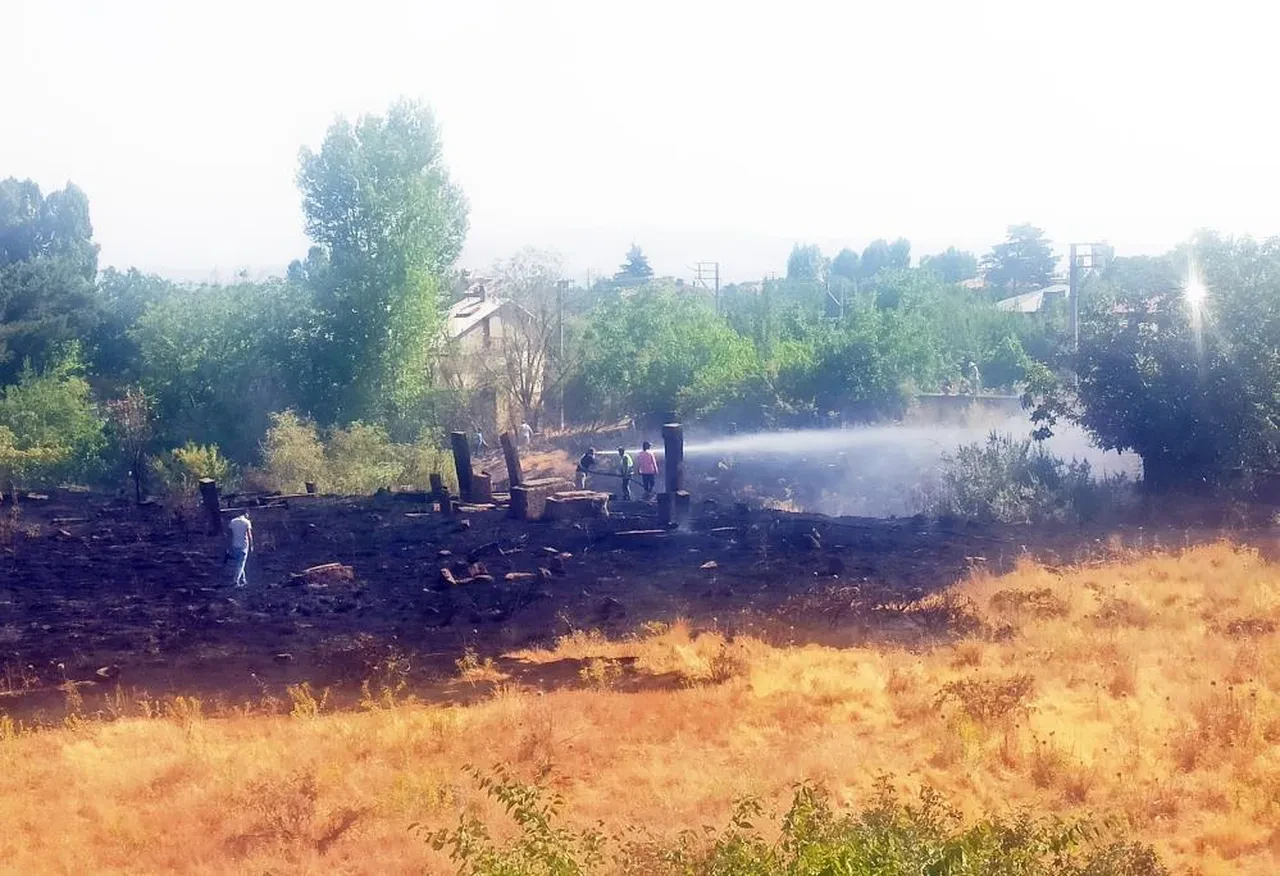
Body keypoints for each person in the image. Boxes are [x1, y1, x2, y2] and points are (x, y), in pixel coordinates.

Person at [228, 511, 253, 587]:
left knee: (239, 563)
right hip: (244, 545)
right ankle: (236, 581)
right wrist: (251, 545)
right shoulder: (246, 522)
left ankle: (243, 580)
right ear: (245, 514)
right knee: (241, 563)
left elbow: (230, 534)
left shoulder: (233, 521)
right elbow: (249, 535)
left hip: (235, 544)